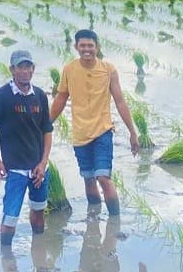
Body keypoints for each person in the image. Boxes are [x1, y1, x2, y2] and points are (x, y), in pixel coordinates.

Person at [50, 29, 139, 216]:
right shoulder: (69, 69)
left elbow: (120, 101)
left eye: (90, 46)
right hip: (80, 134)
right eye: (82, 46)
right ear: (76, 47)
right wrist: (46, 123)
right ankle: (94, 220)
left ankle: (115, 223)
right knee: (88, 178)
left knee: (103, 178)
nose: (87, 49)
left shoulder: (108, 70)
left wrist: (132, 132)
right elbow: (60, 99)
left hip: (103, 131)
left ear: (97, 47)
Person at [0, 49, 53, 245]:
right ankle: (6, 257)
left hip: (38, 169)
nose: (24, 71)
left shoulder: (39, 96)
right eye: (19, 67)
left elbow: (47, 130)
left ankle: (38, 251)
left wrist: (43, 162)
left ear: (33, 69)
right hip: (14, 169)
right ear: (12, 70)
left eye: (27, 67)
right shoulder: (2, 97)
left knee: (39, 211)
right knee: (10, 218)